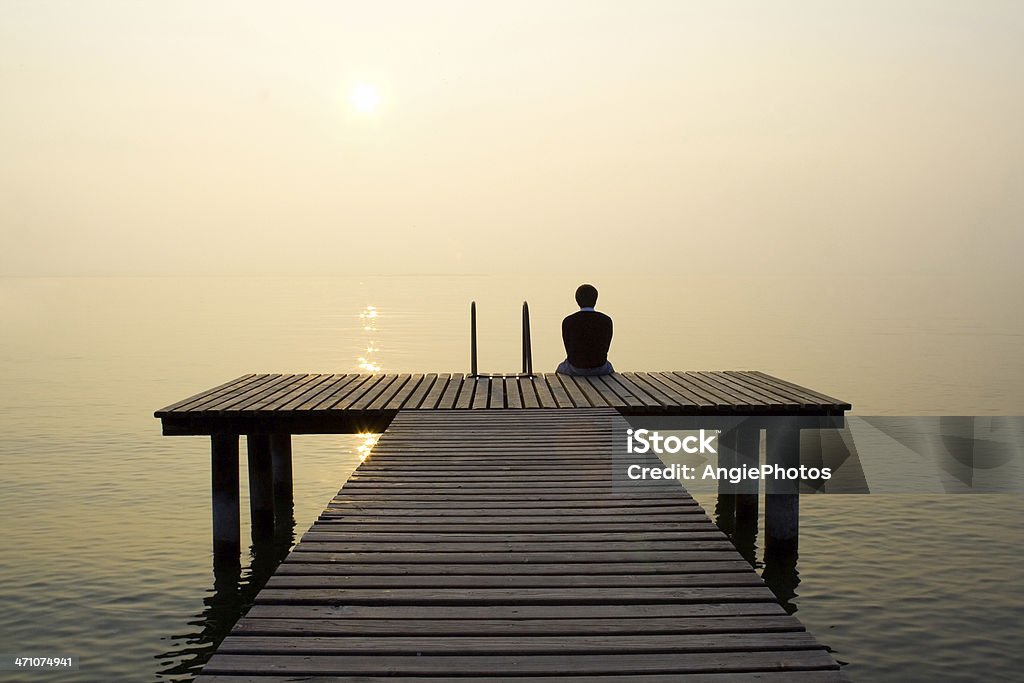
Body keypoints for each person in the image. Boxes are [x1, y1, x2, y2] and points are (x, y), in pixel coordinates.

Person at [556, 283, 614, 376]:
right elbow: (606, 346)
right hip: (600, 368)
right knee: (610, 367)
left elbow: (569, 348)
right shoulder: (606, 320)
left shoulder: (568, 321)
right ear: (595, 300)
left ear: (577, 300)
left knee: (560, 368)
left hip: (575, 368)